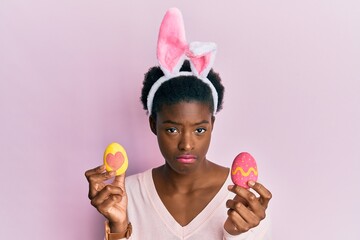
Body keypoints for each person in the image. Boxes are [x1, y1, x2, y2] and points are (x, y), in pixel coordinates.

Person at [85, 8, 272, 240]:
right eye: (172, 129)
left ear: (212, 125)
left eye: (199, 130)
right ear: (153, 124)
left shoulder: (243, 203)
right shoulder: (126, 194)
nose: (186, 144)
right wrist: (118, 226)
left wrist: (238, 234)